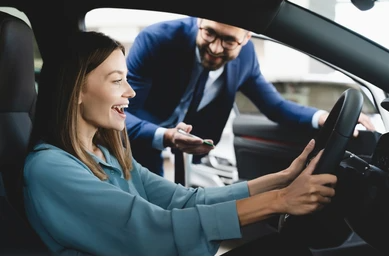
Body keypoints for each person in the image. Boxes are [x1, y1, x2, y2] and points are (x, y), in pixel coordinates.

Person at [23, 31, 337, 256]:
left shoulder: (107, 154)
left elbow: (184, 201)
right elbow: (155, 228)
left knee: (285, 248)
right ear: (77, 90)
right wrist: (280, 200)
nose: (131, 92)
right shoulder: (50, 168)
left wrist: (280, 180)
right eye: (117, 80)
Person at [124, 16, 376, 177]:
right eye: (209, 33)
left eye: (228, 41)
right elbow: (125, 110)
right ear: (199, 20)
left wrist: (324, 117)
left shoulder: (246, 58)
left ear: (247, 38)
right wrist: (164, 136)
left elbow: (274, 106)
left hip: (188, 143)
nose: (214, 48)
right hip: (137, 139)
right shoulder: (157, 39)